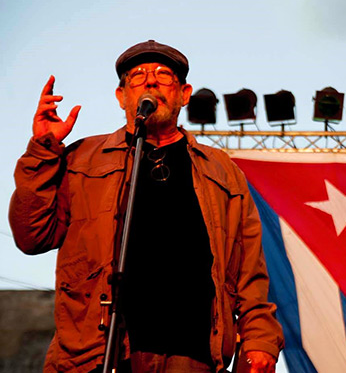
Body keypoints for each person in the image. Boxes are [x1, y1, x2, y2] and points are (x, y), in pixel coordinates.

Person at [9, 40, 284, 373]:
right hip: (98, 354)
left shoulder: (222, 171)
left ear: (184, 94)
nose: (150, 81)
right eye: (137, 76)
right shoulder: (81, 159)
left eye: (163, 75)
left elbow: (249, 272)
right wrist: (43, 149)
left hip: (194, 356)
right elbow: (32, 237)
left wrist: (259, 341)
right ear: (121, 96)